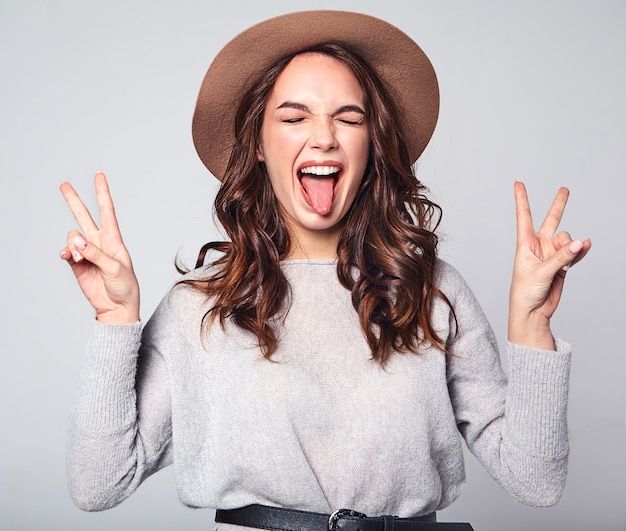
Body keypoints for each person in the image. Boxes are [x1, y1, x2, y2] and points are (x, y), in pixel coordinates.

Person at [59, 10, 591, 531]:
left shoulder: (433, 290)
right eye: (294, 117)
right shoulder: (198, 308)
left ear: (371, 143)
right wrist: (114, 317)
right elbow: (100, 483)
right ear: (259, 146)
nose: (324, 137)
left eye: (349, 118)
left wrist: (532, 324)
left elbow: (535, 482)